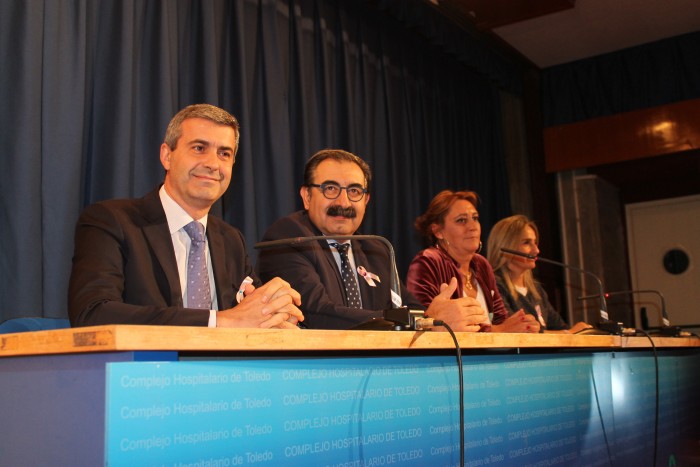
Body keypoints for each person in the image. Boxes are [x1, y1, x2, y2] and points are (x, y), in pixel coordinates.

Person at [68, 104, 303, 329]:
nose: (213, 164)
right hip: (145, 368)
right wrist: (219, 321)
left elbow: (250, 315)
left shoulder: (231, 240)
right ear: (167, 156)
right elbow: (92, 313)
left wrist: (275, 314)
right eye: (199, 148)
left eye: (224, 153)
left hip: (226, 370)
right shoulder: (111, 221)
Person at [256, 149, 487, 331]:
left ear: (366, 200)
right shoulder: (289, 236)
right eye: (330, 189)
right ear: (307, 197)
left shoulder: (376, 249)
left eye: (354, 191)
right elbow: (317, 313)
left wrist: (436, 315)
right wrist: (422, 321)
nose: (344, 203)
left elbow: (407, 307)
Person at [406, 190, 539, 333]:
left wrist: (521, 325)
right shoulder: (428, 262)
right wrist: (497, 331)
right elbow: (423, 324)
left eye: (475, 218)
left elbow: (500, 320)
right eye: (461, 220)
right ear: (438, 231)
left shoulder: (482, 264)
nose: (472, 226)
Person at [486, 215, 591, 334]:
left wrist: (579, 331)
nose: (536, 250)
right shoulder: (495, 284)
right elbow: (517, 331)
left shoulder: (536, 289)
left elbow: (559, 326)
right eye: (527, 243)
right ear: (506, 246)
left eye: (535, 243)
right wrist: (568, 333)